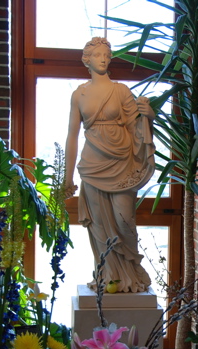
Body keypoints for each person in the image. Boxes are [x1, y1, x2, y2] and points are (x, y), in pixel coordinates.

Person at [64, 37, 155, 293]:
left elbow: (136, 126)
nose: (103, 59)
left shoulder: (121, 91)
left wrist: (149, 116)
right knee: (99, 225)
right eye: (97, 55)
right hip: (93, 164)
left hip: (122, 161)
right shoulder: (79, 95)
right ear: (87, 60)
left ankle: (132, 273)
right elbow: (71, 136)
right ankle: (108, 275)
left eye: (106, 54)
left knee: (124, 220)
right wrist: (68, 178)